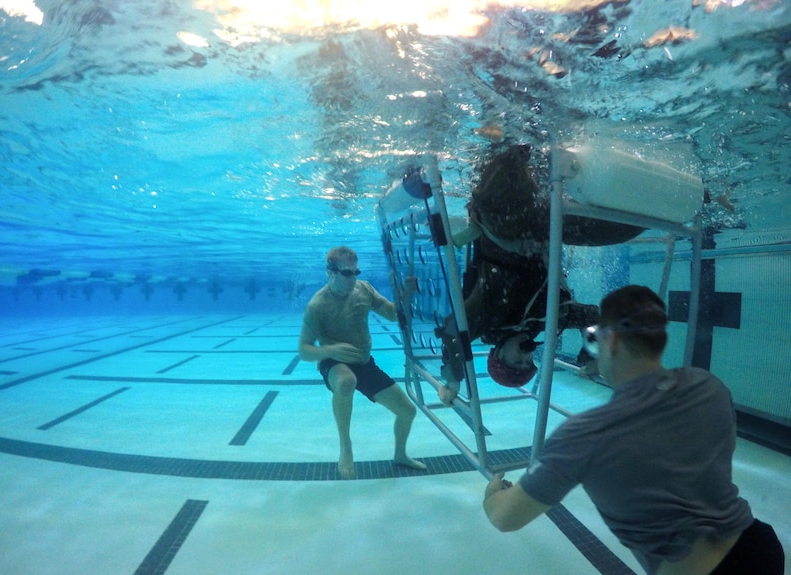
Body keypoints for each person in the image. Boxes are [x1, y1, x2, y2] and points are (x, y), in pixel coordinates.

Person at [482, 285, 785, 575]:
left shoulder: (586, 435)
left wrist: (492, 495)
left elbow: (505, 518)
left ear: (611, 342)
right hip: (759, 546)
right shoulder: (709, 386)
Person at [436, 144, 643, 404]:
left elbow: (453, 332)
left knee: (506, 178)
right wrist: (592, 355)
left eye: (517, 360)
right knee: (623, 230)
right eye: (529, 361)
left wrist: (452, 380)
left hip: (503, 226)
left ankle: (512, 137)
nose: (526, 354)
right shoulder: (546, 322)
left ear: (498, 353)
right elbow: (593, 318)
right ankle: (664, 197)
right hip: (544, 229)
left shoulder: (489, 318)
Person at [299, 246, 427, 479]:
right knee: (347, 381)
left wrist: (405, 294)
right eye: (347, 273)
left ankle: (400, 454)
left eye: (356, 272)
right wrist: (332, 349)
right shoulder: (317, 305)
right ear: (331, 272)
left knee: (407, 412)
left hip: (364, 362)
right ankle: (345, 446)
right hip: (333, 362)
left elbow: (392, 314)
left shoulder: (364, 289)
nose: (353, 278)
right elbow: (304, 351)